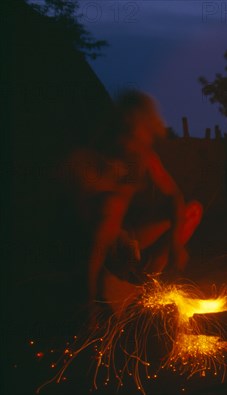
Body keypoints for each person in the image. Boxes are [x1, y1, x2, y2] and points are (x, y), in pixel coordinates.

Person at [67, 90, 202, 306]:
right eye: (144, 125)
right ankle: (112, 288)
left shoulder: (143, 155)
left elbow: (174, 196)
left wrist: (175, 245)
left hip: (129, 236)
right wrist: (90, 305)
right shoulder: (110, 164)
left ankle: (149, 279)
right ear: (132, 122)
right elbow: (97, 239)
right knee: (109, 225)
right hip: (105, 241)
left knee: (191, 212)